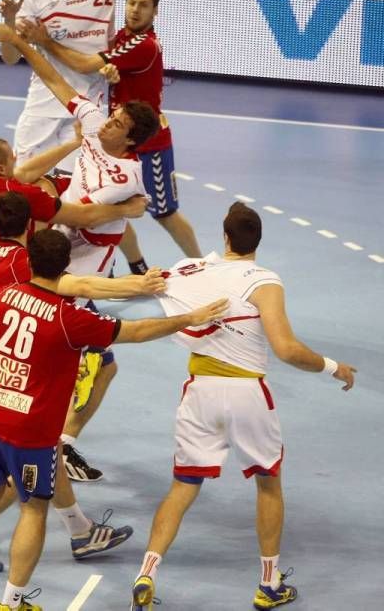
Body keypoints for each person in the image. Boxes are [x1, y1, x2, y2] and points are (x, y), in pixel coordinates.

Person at [0, 227, 229, 611]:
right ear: (66, 267)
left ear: (29, 262)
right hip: (29, 429)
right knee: (33, 508)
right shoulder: (68, 317)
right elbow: (137, 331)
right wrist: (189, 317)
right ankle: (12, 602)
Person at [0, 135, 147, 543]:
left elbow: (22, 174)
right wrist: (127, 211)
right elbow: (83, 220)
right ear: (6, 172)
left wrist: (72, 142)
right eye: (15, 161)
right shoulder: (20, 255)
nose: (23, 166)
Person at [130, 202, 356, 611]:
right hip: (247, 395)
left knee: (183, 486)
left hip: (199, 392)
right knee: (268, 484)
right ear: (258, 240)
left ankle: (147, 571)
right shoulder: (264, 280)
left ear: (225, 237)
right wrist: (333, 367)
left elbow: (137, 302)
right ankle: (269, 585)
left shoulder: (190, 270)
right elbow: (286, 349)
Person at [0, 191, 167, 573]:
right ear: (30, 227)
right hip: (15, 365)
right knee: (13, 472)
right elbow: (85, 288)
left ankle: (79, 530)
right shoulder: (21, 266)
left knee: (40, 449)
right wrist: (140, 285)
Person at [0, 20, 160, 482]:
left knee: (98, 367)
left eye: (118, 124)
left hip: (71, 275)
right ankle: (45, 445)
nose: (107, 123)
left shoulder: (127, 178)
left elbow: (77, 215)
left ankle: (56, 442)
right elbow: (57, 81)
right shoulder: (97, 128)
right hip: (62, 281)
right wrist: (21, 43)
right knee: (78, 368)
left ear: (131, 141)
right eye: (112, 117)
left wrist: (50, 196)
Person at [18, 0, 201, 272]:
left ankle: (202, 266)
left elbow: (83, 64)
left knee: (165, 214)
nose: (135, 10)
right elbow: (104, 69)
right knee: (113, 209)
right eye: (131, 3)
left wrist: (44, 40)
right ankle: (136, 265)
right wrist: (110, 74)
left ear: (155, 12)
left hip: (148, 145)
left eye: (143, 5)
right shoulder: (120, 38)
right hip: (118, 140)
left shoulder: (144, 44)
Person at [0, 0, 115, 172]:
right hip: (42, 104)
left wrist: (46, 41)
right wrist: (9, 22)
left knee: (72, 189)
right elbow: (10, 58)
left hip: (83, 107)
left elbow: (105, 53)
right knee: (23, 181)